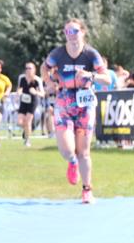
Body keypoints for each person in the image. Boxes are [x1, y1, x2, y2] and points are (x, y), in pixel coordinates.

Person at [41, 18, 111, 204]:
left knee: (84, 152)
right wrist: (48, 82)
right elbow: (44, 67)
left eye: (75, 31)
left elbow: (107, 79)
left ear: (83, 32)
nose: (71, 35)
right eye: (67, 32)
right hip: (64, 102)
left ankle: (87, 190)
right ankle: (72, 162)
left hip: (85, 104)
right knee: (66, 150)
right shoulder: (57, 54)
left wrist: (91, 75)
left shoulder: (91, 54)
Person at [16, 62, 43, 147]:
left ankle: (27, 140)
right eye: (26, 68)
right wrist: (18, 93)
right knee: (20, 122)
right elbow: (19, 88)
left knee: (28, 121)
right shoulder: (21, 78)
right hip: (23, 100)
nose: (28, 70)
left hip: (33, 101)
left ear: (34, 70)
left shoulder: (37, 80)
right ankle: (29, 128)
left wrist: (35, 92)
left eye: (30, 68)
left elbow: (42, 93)